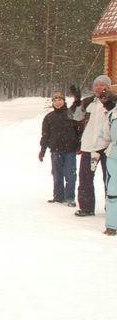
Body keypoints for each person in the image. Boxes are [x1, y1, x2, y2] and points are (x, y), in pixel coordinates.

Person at [70, 75, 111, 217]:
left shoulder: (114, 101)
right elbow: (75, 117)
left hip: (108, 147)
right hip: (89, 147)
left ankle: (112, 208)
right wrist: (76, 101)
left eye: (102, 85)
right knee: (85, 178)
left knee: (110, 179)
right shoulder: (88, 102)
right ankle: (86, 207)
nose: (99, 87)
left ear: (108, 87)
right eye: (96, 85)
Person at [39, 91, 81, 206]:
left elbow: (79, 130)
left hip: (70, 150)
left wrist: (79, 144)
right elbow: (45, 135)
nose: (57, 102)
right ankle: (58, 197)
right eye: (55, 100)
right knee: (57, 174)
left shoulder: (70, 113)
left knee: (70, 174)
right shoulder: (49, 117)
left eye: (60, 100)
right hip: (55, 150)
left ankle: (70, 198)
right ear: (52, 102)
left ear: (64, 101)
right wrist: (42, 150)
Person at [100, 86, 117, 235]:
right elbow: (104, 135)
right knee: (113, 190)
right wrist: (95, 151)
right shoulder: (112, 114)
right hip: (114, 156)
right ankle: (112, 225)